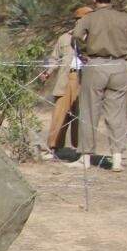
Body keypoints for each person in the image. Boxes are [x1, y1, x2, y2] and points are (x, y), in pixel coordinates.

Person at [71, 0, 127, 172]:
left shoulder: (89, 18)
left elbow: (75, 36)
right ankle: (116, 158)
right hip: (119, 66)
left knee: (90, 111)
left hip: (96, 65)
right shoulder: (125, 18)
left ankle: (85, 158)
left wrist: (83, 53)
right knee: (116, 114)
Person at [43, 8, 88, 157]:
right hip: (65, 78)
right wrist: (47, 72)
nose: (80, 22)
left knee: (80, 115)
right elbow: (55, 58)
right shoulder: (64, 38)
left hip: (84, 80)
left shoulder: (94, 38)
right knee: (59, 114)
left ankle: (80, 150)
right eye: (78, 19)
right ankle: (53, 148)